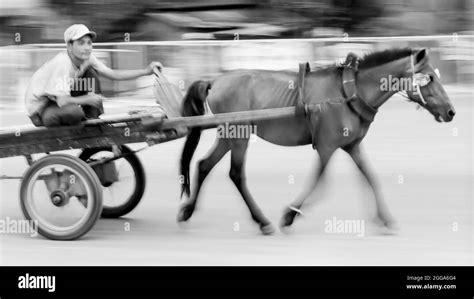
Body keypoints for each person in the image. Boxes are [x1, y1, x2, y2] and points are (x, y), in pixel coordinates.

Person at [25, 24, 163, 127]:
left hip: (56, 102)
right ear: (69, 46)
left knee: (91, 72)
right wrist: (87, 99)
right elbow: (62, 101)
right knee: (75, 113)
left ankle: (93, 119)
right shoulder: (63, 63)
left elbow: (113, 74)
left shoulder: (87, 58)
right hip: (41, 112)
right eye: (81, 43)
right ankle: (86, 119)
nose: (87, 47)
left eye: (89, 43)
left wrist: (146, 71)